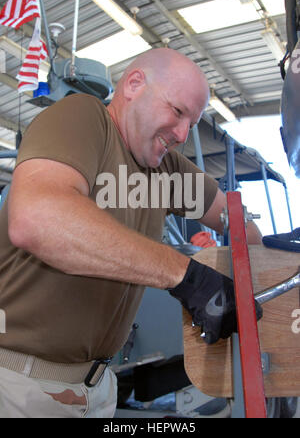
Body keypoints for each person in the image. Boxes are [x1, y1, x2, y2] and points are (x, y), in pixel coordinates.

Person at [0, 48, 262, 418]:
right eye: (177, 112)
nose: (183, 133)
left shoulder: (166, 171)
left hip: (97, 388)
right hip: (19, 384)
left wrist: (266, 258)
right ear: (135, 84)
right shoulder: (84, 118)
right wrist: (188, 277)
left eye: (193, 121)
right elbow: (38, 218)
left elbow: (235, 220)